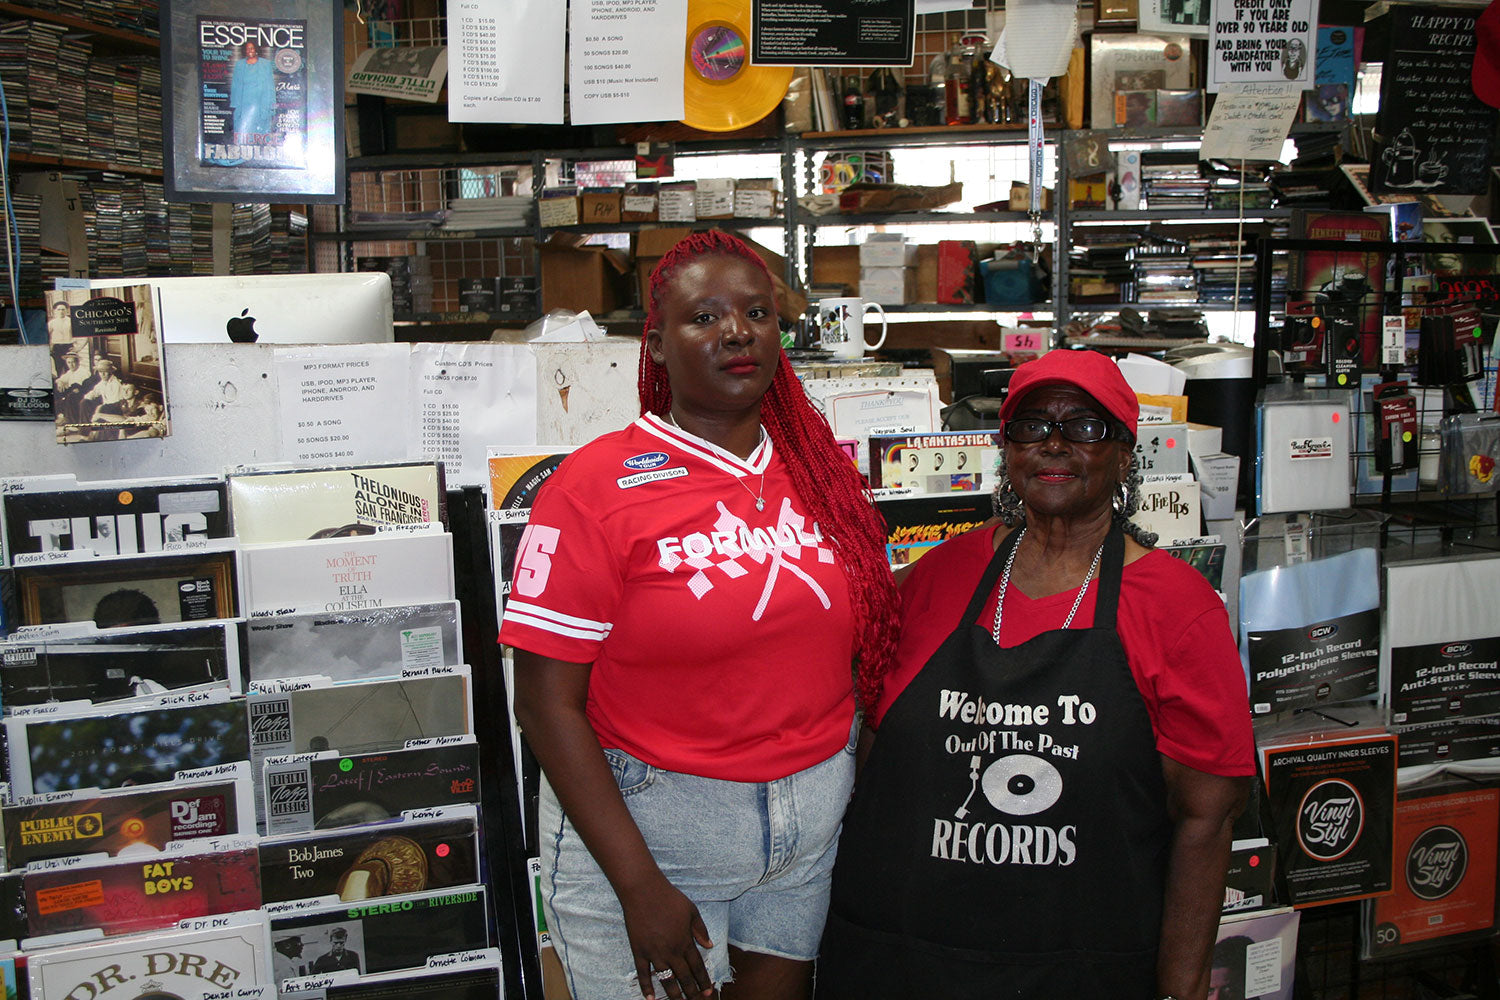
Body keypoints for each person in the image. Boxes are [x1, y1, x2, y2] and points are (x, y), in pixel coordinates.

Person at [501, 230, 899, 1000]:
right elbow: (545, 705)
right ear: (654, 345)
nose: (737, 332)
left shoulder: (821, 474)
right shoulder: (593, 487)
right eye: (704, 317)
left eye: (757, 313)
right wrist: (638, 887)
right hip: (652, 841)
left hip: (804, 839)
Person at [818, 348, 1254, 999]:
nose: (1054, 444)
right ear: (1007, 448)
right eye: (1031, 425)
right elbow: (867, 754)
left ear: (1126, 453)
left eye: (1083, 426)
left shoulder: (1177, 608)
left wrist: (1180, 987)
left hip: (1079, 971)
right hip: (901, 961)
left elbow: (1207, 819)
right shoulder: (934, 580)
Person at [229, 40, 275, 144]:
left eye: (252, 48)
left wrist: (271, 106)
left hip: (260, 104)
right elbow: (235, 85)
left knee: (261, 134)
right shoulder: (239, 65)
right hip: (244, 104)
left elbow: (270, 86)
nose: (250, 50)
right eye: (247, 48)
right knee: (243, 134)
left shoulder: (266, 64)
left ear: (256, 50)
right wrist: (235, 105)